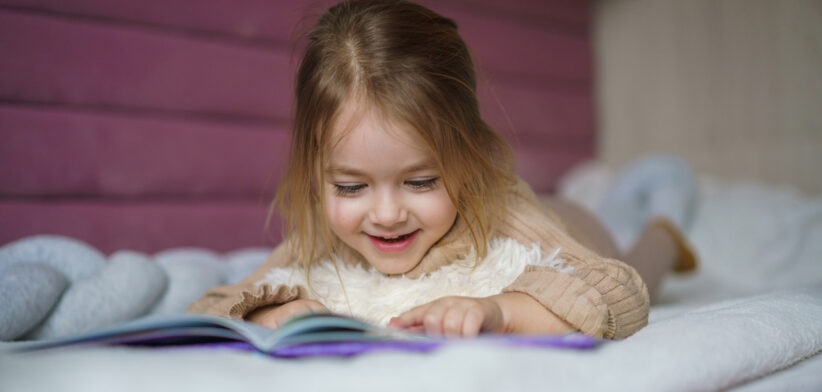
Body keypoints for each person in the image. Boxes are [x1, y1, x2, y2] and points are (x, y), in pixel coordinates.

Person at [187, 0, 696, 340]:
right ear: (316, 173)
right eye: (351, 187)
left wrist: (502, 311)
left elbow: (621, 293)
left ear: (469, 157)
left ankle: (664, 235)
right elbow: (208, 307)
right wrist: (272, 314)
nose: (387, 214)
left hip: (574, 225)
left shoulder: (505, 214)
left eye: (421, 181)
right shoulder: (319, 236)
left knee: (643, 263)